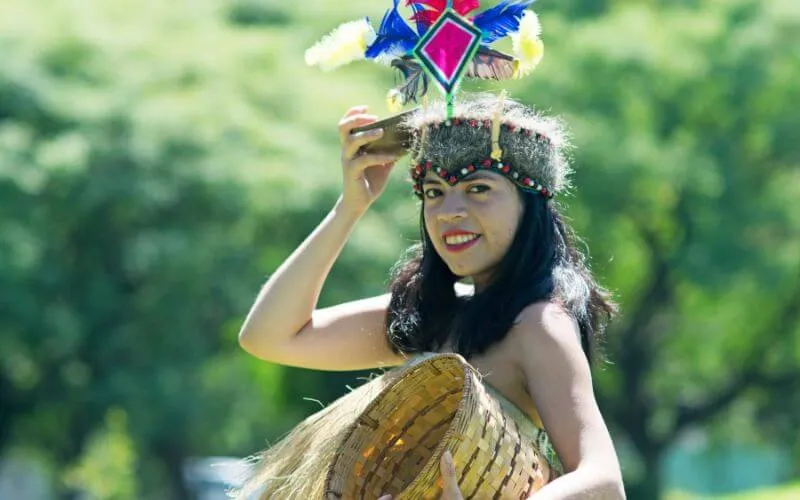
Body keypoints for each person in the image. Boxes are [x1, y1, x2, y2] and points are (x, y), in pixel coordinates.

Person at [234, 93, 625, 499]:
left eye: (477, 187)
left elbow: (603, 480)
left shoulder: (539, 325)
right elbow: (268, 336)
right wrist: (349, 207)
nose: (448, 211)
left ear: (530, 203)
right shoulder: (431, 314)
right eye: (434, 192)